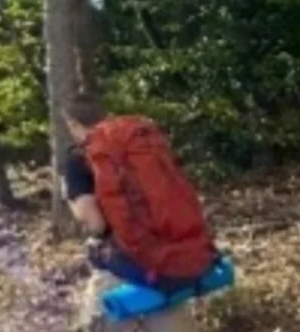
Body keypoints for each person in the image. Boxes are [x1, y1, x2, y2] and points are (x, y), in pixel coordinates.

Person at [62, 93, 216, 331]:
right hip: (170, 256)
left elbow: (96, 224)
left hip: (124, 265)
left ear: (72, 123)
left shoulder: (79, 158)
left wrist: (73, 203)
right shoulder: (137, 143)